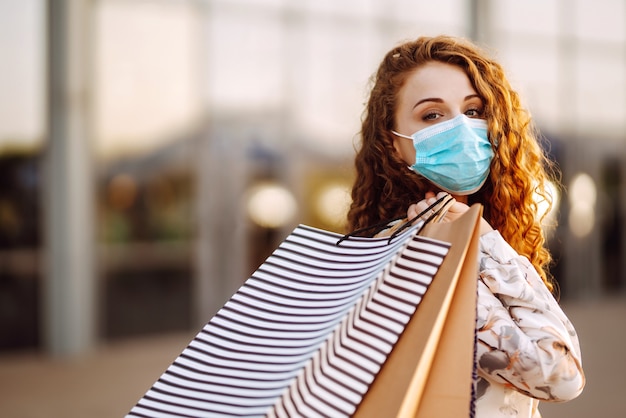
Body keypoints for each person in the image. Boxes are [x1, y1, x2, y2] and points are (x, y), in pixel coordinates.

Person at [347, 35, 585, 417]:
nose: (461, 128)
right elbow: (560, 375)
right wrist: (488, 244)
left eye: (474, 111)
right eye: (432, 115)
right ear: (393, 144)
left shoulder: (443, 235)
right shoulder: (423, 253)